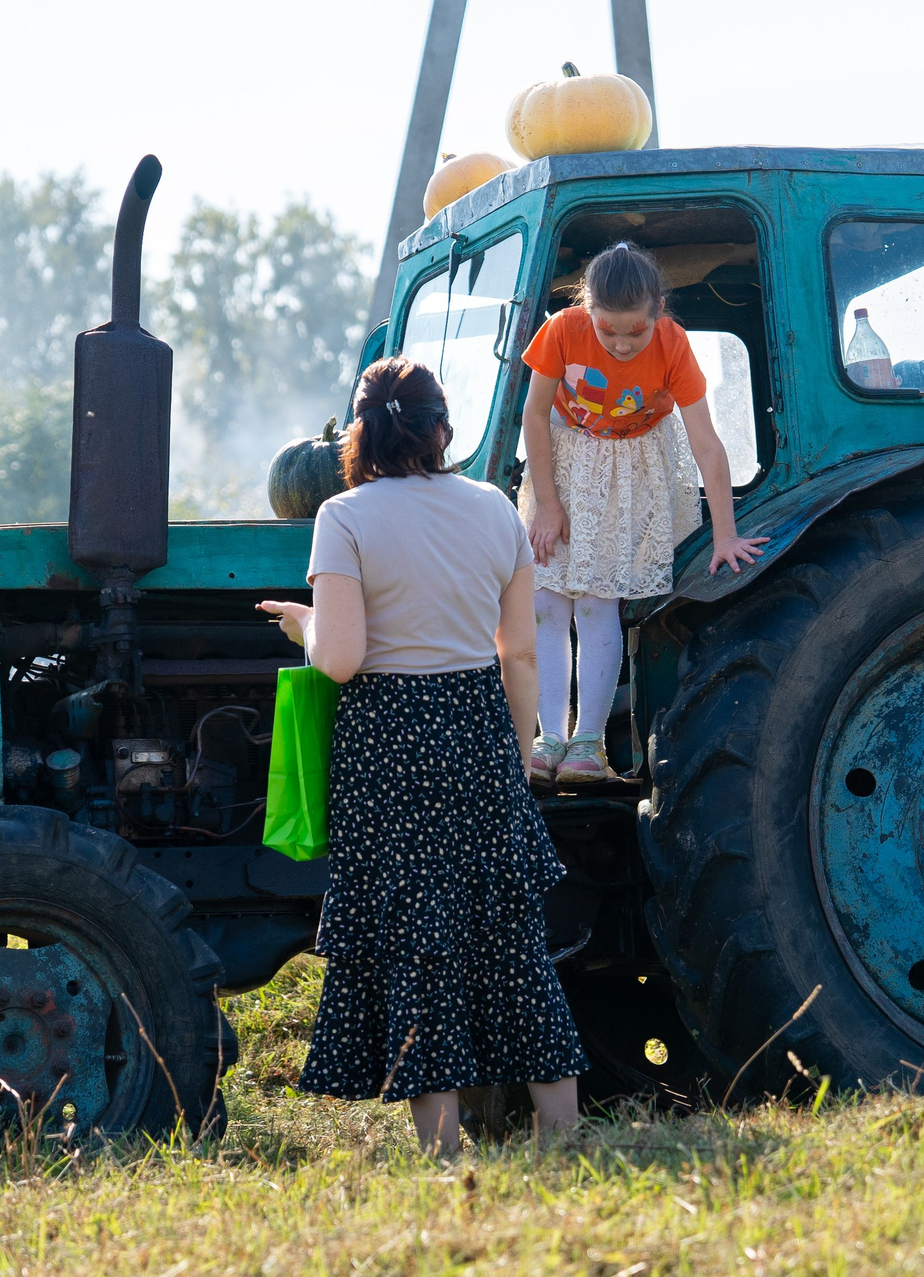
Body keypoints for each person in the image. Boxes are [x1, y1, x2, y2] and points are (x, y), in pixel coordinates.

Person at [257, 357, 588, 1155]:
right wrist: (514, 755)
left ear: (361, 434)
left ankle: (442, 1148)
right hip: (476, 724)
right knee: (509, 939)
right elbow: (518, 655)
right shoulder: (494, 510)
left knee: (413, 942)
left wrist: (304, 624)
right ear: (443, 429)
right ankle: (562, 1130)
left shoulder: (343, 516)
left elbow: (339, 659)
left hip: (388, 739)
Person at [518, 242, 768, 785]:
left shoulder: (673, 345)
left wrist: (725, 534)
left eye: (636, 330)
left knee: (598, 595)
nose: (622, 343)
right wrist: (548, 504)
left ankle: (587, 744)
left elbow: (707, 445)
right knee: (546, 597)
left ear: (658, 310)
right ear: (589, 311)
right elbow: (535, 415)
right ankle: (548, 738)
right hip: (561, 458)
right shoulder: (563, 330)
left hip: (630, 463)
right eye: (608, 330)